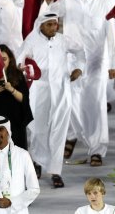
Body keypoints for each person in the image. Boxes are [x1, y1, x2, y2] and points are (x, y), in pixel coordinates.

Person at [42, 0, 115, 167]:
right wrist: (48, 1)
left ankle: (97, 149)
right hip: (73, 63)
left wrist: (114, 65)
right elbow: (47, 16)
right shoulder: (69, 1)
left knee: (96, 106)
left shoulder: (103, 4)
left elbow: (112, 35)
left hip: (97, 63)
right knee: (72, 105)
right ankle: (74, 134)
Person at [17, 11, 85, 188]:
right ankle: (37, 162)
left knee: (59, 131)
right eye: (50, 24)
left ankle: (55, 171)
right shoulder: (32, 40)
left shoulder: (63, 40)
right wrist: (24, 71)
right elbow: (19, 59)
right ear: (41, 25)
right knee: (38, 129)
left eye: (55, 24)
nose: (54, 27)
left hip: (62, 90)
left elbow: (80, 51)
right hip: (40, 90)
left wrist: (79, 68)